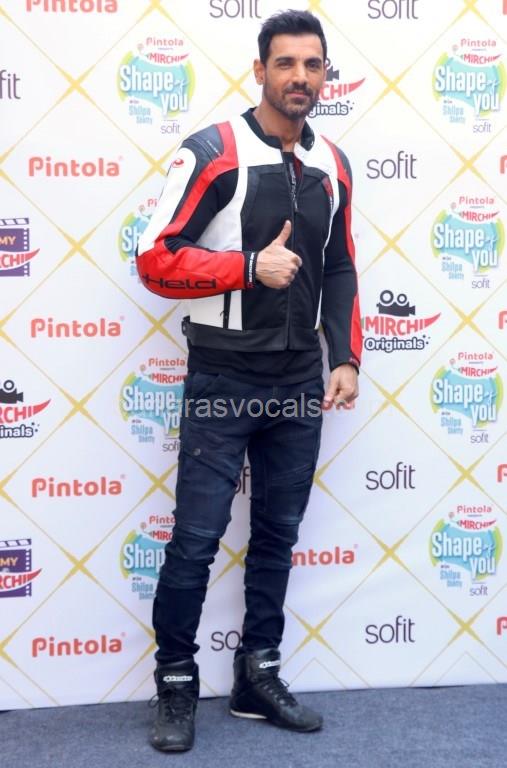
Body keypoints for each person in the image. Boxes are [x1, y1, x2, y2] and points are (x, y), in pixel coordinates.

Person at [136, 9, 362, 753]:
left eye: (313, 65)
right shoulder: (213, 151)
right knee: (196, 541)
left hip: (298, 382)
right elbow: (154, 257)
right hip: (224, 376)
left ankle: (256, 677)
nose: (300, 77)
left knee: (276, 538)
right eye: (286, 63)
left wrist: (344, 357)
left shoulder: (333, 163)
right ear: (260, 71)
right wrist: (246, 267)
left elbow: (338, 264)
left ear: (325, 76)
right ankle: (175, 683)